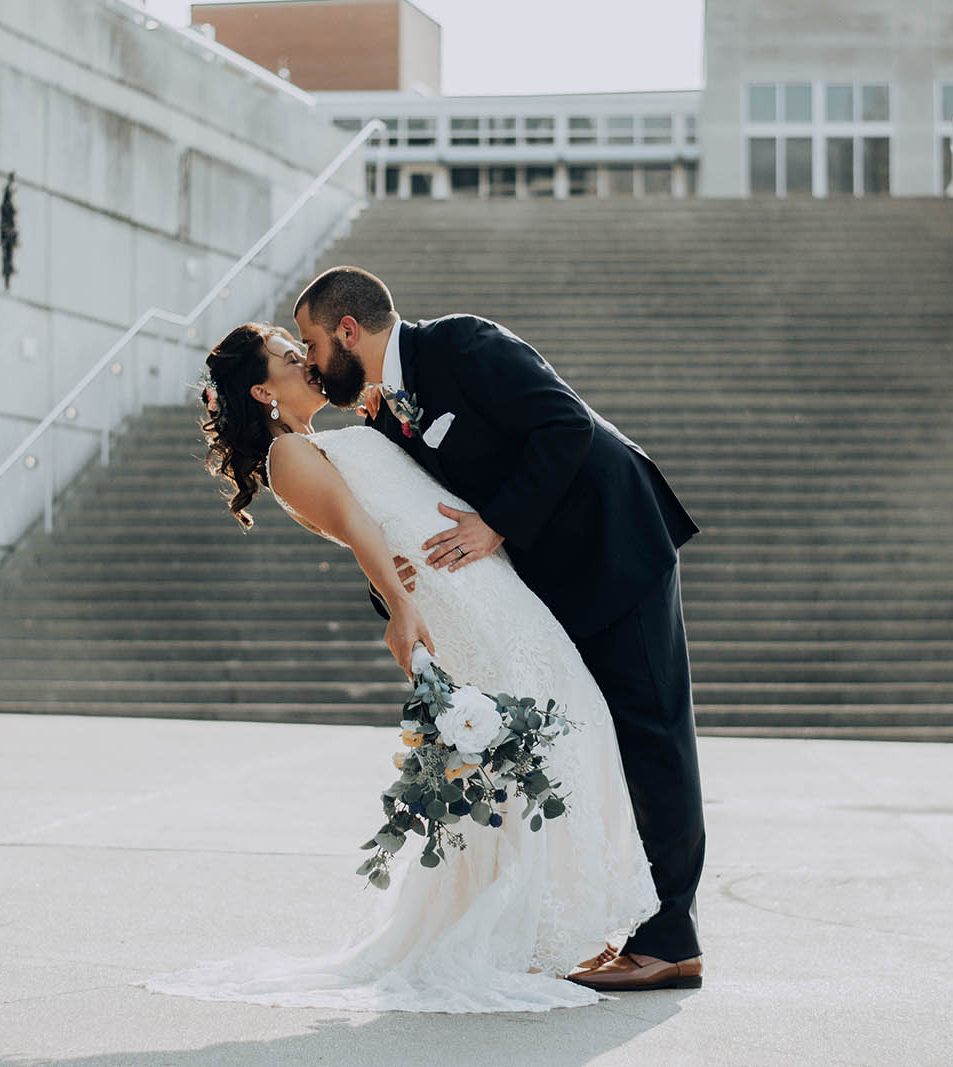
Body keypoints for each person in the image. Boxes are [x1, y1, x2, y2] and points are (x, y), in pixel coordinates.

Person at [141, 323, 660, 1013]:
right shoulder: (289, 454)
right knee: (558, 725)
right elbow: (360, 527)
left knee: (561, 725)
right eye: (290, 358)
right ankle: (537, 929)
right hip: (454, 598)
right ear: (264, 389)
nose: (305, 360)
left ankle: (549, 923)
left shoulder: (329, 434)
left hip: (477, 575)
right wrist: (401, 607)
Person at [294, 268, 705, 994]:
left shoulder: (462, 342)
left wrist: (497, 521)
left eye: (312, 343)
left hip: (618, 544)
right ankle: (640, 923)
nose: (311, 360)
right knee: (600, 734)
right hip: (556, 581)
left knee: (653, 733)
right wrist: (395, 595)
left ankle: (671, 940)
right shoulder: (386, 416)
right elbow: (406, 516)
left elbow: (564, 424)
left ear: (348, 332)